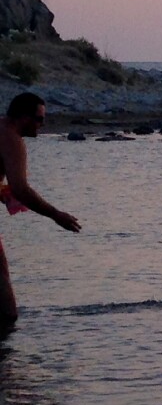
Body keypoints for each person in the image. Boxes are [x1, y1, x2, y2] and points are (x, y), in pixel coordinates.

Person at [0, 93, 81, 325]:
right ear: (23, 117)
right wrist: (56, 215)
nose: (42, 125)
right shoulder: (12, 139)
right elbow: (22, 189)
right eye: (38, 119)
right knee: (4, 298)